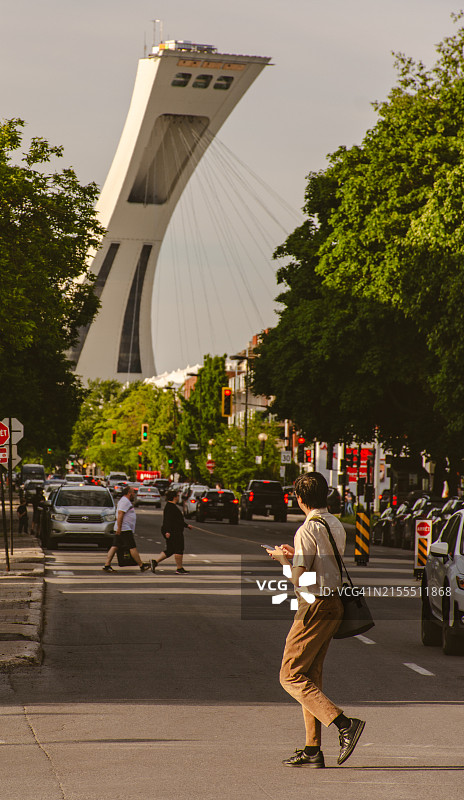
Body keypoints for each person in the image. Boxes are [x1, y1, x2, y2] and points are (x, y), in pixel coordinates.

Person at [266, 472, 365, 768]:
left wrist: (283, 560)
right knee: (310, 676)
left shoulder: (307, 529)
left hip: (314, 605)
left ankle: (345, 724)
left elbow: (299, 578)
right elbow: (325, 562)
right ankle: (312, 749)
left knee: (289, 675)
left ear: (299, 499)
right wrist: (297, 554)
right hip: (334, 604)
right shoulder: (335, 524)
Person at [103, 484, 150, 573]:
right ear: (129, 493)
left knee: (115, 546)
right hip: (124, 529)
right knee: (132, 547)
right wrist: (119, 528)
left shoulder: (125, 501)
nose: (134, 494)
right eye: (133, 492)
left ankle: (107, 565)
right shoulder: (125, 501)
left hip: (122, 528)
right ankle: (141, 565)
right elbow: (120, 514)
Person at [151, 489, 191, 574]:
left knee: (170, 550)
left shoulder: (171, 506)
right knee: (179, 548)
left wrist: (186, 525)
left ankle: (154, 562)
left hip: (173, 530)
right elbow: (167, 521)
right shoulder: (170, 507)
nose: (178, 497)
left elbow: (177, 520)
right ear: (174, 497)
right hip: (174, 531)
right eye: (177, 496)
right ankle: (179, 568)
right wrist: (167, 531)